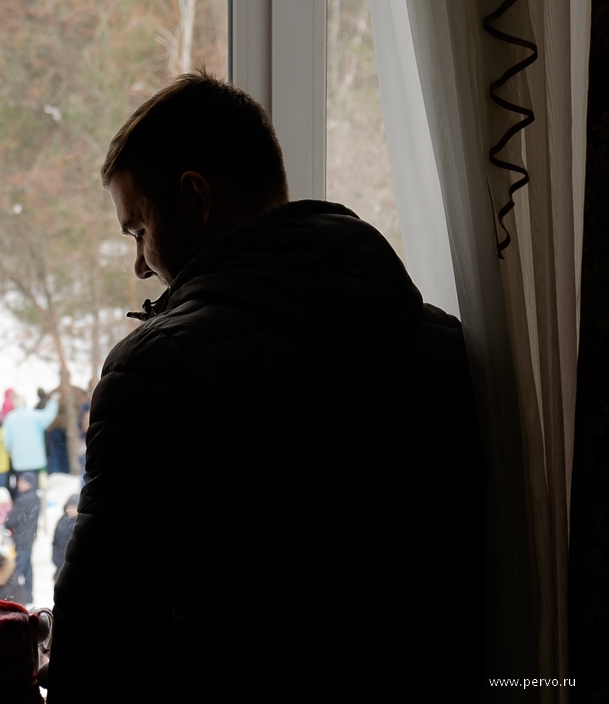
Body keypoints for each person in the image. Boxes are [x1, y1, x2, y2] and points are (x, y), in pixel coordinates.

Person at [47, 73, 481, 703]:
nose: (140, 265)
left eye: (138, 230)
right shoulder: (441, 343)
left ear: (195, 199)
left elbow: (103, 631)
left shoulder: (159, 371)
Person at [2, 393, 58, 476]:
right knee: (36, 482)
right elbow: (48, 415)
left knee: (22, 482)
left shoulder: (9, 418)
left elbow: (7, 440)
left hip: (19, 461)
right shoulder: (34, 416)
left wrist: (10, 450)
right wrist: (53, 402)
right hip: (36, 460)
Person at [6, 472, 40, 604]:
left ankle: (14, 597)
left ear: (29, 484)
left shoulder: (23, 500)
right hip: (29, 537)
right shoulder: (34, 497)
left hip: (22, 538)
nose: (18, 484)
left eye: (22, 482)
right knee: (27, 571)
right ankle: (27, 596)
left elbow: (11, 519)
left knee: (18, 570)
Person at [51, 494, 78, 579]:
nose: (69, 510)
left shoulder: (81, 523)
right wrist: (56, 559)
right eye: (68, 507)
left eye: (73, 507)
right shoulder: (62, 521)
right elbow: (55, 541)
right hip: (61, 563)